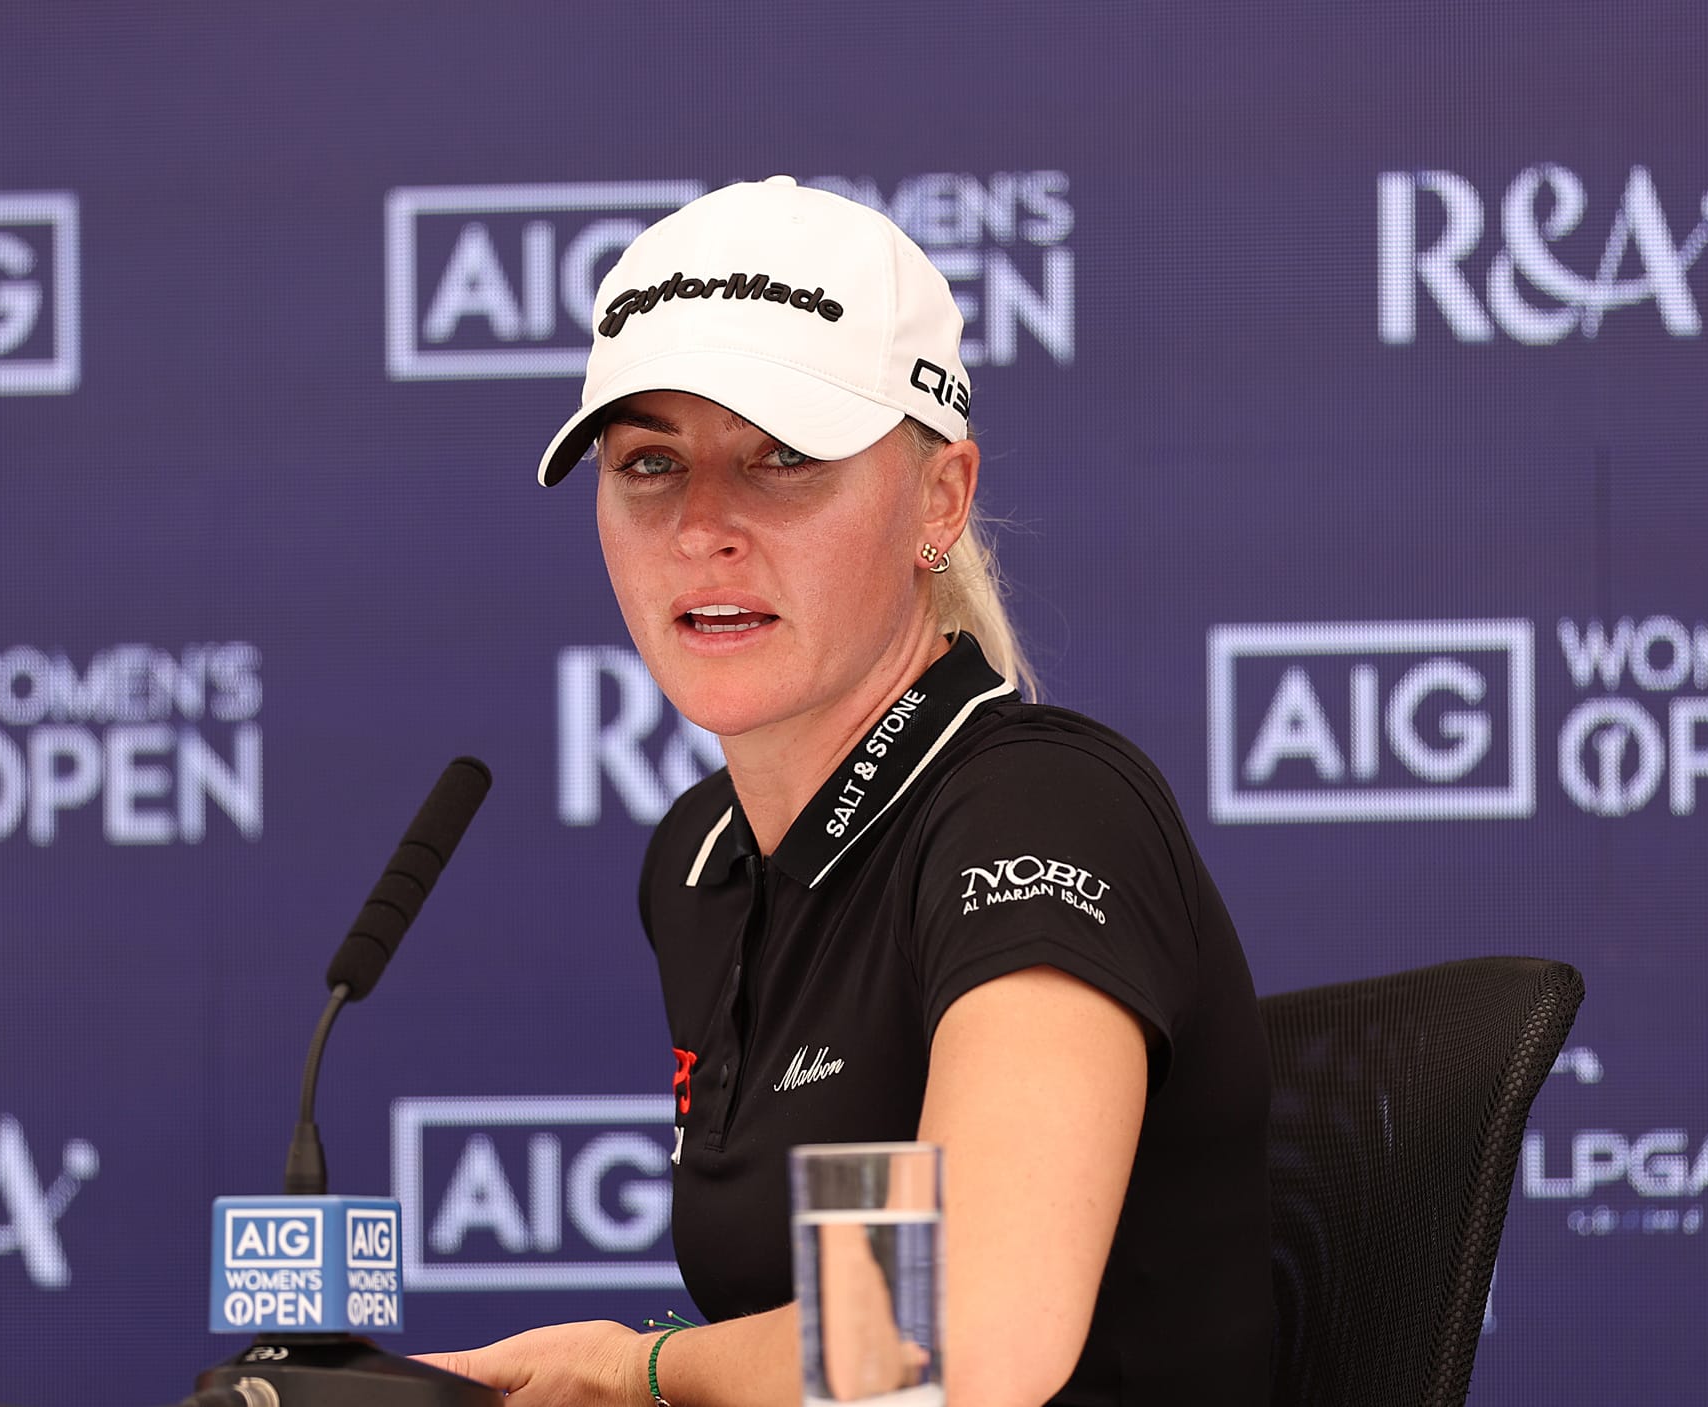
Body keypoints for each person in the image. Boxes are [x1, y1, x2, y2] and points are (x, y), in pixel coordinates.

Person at [418, 177, 1273, 1407]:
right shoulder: (701, 860)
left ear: (939, 500)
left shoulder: (1038, 809)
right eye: (649, 462)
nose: (702, 528)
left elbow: (965, 1338)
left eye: (783, 458)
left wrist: (640, 1370)